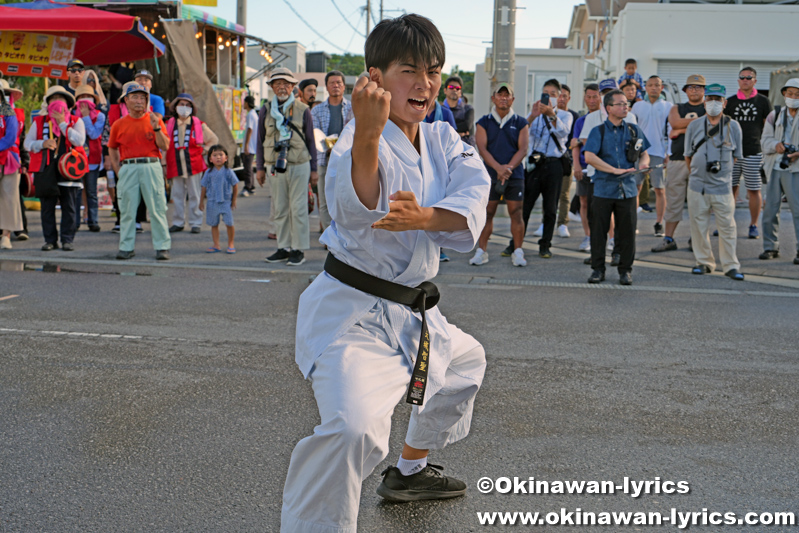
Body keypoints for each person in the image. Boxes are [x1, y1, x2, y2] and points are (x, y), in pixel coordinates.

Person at [281, 15, 489, 532]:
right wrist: (372, 133)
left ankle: (410, 470)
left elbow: (474, 194)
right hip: (355, 317)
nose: (425, 83)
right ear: (375, 78)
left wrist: (423, 218)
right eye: (409, 70)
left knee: (465, 364)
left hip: (414, 313)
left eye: (434, 70)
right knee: (354, 431)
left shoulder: (442, 137)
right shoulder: (357, 136)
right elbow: (354, 213)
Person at [584, 89, 650, 285]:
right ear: (609, 108)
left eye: (626, 104)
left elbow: (644, 152)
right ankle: (597, 269)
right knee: (598, 232)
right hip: (603, 188)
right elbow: (589, 157)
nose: (625, 107)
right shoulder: (598, 131)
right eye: (620, 104)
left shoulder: (633, 129)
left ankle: (625, 270)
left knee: (628, 232)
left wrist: (644, 163)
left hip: (628, 189)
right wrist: (613, 170)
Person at [256, 67, 318, 267]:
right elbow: (260, 139)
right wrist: (258, 167)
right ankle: (283, 247)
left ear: (293, 87)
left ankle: (298, 249)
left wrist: (314, 169)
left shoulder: (303, 109)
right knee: (280, 207)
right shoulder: (265, 109)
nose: (282, 87)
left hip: (299, 163)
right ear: (272, 87)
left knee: (298, 208)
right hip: (274, 164)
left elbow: (311, 140)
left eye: (286, 84)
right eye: (277, 83)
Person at [683, 84, 744, 281]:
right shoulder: (693, 126)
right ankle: (704, 262)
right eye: (710, 99)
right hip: (697, 185)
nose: (713, 103)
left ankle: (730, 265)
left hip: (722, 186)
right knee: (698, 226)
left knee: (727, 227)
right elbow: (688, 156)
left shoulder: (733, 126)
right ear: (704, 102)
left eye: (718, 100)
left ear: (724, 103)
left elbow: (736, 156)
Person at [107, 82, 171, 260]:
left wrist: (156, 127)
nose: (139, 101)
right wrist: (117, 168)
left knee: (157, 208)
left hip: (151, 164)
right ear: (125, 100)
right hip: (128, 166)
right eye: (134, 97)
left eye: (142, 97)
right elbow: (112, 147)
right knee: (126, 209)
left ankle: (162, 246)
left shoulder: (155, 120)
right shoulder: (118, 124)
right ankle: (126, 247)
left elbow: (165, 145)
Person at [472, 83, 529, 266]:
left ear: (513, 99)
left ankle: (518, 251)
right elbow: (482, 148)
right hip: (489, 174)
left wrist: (508, 168)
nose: (504, 98)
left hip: (515, 174)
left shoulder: (521, 122)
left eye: (507, 95)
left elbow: (523, 149)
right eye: (500, 94)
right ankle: (481, 251)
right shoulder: (483, 122)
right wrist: (498, 169)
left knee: (516, 212)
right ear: (493, 98)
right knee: (487, 212)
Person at [25, 86, 86, 251]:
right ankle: (50, 240)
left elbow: (79, 141)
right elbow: (27, 144)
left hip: (69, 168)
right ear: (48, 103)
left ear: (67, 104)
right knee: (47, 208)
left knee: (70, 206)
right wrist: (42, 143)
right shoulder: (39, 122)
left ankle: (67, 239)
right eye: (53, 99)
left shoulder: (76, 121)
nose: (57, 102)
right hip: (46, 169)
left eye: (61, 99)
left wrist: (63, 124)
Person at [518, 78, 573, 259]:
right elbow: (522, 130)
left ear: (559, 97)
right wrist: (533, 115)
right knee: (525, 206)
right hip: (535, 164)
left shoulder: (565, 115)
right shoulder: (535, 113)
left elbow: (563, 132)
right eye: (545, 94)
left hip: (554, 164)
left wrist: (551, 114)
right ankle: (516, 244)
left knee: (550, 208)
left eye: (553, 94)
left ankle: (545, 245)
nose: (549, 98)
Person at [652, 74, 706, 253]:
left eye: (698, 87)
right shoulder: (677, 107)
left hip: (701, 160)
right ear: (685, 90)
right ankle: (669, 238)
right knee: (673, 200)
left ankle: (696, 239)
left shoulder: (709, 108)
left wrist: (681, 129)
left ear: (704, 90)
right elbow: (674, 122)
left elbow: (710, 125)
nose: (694, 90)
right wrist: (693, 124)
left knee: (698, 202)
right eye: (691, 87)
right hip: (677, 159)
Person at [724, 66, 773, 239]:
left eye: (749, 77)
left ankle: (753, 225)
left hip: (753, 151)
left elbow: (770, 125)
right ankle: (726, 222)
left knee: (754, 189)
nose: (745, 80)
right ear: (738, 80)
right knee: (730, 188)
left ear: (755, 81)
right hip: (731, 152)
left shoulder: (763, 101)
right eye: (742, 77)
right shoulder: (729, 102)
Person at [164, 93, 218, 234]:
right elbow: (163, 146)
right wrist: (164, 164)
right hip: (175, 163)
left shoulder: (199, 125)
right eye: (181, 104)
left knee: (195, 194)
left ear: (192, 108)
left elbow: (213, 140)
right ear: (175, 107)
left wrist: (204, 150)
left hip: (194, 164)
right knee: (177, 195)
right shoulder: (168, 124)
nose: (184, 108)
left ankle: (196, 222)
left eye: (188, 105)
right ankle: (178, 222)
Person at [759, 78, 799, 266]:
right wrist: (777, 145)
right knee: (770, 210)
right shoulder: (774, 115)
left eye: (797, 94)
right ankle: (770, 247)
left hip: (796, 169)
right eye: (790, 94)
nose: (793, 98)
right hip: (776, 166)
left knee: (798, 211)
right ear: (784, 94)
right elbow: (764, 141)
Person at [312, 70, 352, 232]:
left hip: (347, 160)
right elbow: (316, 135)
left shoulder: (352, 107)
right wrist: (331, 146)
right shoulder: (317, 110)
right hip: (324, 159)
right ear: (326, 87)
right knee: (324, 200)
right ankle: (330, 236)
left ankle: (344, 234)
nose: (336, 86)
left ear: (344, 87)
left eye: (339, 83)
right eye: (332, 83)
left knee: (345, 199)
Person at [632, 75, 672, 237]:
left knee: (660, 190)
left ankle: (659, 223)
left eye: (657, 85)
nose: (654, 88)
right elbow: (631, 130)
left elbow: (670, 131)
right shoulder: (637, 106)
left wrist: (668, 153)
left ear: (661, 88)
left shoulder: (668, 106)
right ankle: (632, 221)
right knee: (635, 188)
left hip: (658, 152)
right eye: (650, 85)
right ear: (645, 87)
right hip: (639, 153)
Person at [571, 83, 602, 254]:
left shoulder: (606, 117)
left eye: (595, 96)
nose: (591, 100)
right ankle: (588, 236)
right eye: (588, 97)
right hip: (583, 166)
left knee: (601, 203)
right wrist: (576, 164)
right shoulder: (580, 120)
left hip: (600, 168)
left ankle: (609, 238)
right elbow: (574, 144)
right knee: (583, 202)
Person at [73, 84, 106, 232]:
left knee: (91, 191)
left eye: (88, 97)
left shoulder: (100, 115)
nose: (84, 100)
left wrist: (85, 117)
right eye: (81, 97)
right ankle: (75, 221)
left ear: (94, 99)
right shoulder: (72, 114)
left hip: (93, 157)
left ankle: (93, 220)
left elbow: (94, 134)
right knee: (77, 191)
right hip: (76, 158)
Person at [1, 78, 28, 243]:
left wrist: (25, 161)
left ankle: (6, 235)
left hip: (10, 159)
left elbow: (11, 138)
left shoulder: (10, 113)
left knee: (10, 197)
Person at [200, 145, 238, 254]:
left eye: (221, 155)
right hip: (212, 202)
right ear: (210, 159)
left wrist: (233, 200)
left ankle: (231, 243)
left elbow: (235, 185)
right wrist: (201, 201)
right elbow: (203, 187)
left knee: (229, 223)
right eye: (215, 155)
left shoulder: (228, 171)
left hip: (225, 201)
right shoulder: (208, 172)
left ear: (226, 157)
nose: (218, 157)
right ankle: (216, 244)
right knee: (214, 224)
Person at [442, 74, 474, 146]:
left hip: (464, 151)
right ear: (445, 90)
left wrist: (445, 129)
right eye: (451, 87)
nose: (454, 90)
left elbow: (467, 126)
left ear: (460, 92)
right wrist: (460, 132)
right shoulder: (439, 110)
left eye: (457, 88)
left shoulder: (468, 109)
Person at [241, 95, 258, 196]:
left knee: (247, 168)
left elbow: (250, 129)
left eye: (244, 102)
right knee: (249, 168)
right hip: (252, 146)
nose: (243, 104)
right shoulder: (254, 114)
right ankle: (251, 186)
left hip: (249, 146)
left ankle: (248, 187)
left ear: (247, 103)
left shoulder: (250, 115)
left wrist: (246, 145)